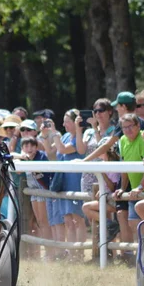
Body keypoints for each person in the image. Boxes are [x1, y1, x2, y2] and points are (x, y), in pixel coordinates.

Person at [42, 109, 87, 261]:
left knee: (78, 219)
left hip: (75, 181)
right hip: (64, 182)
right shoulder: (66, 136)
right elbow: (52, 153)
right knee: (68, 220)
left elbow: (62, 149)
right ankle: (72, 253)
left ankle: (79, 253)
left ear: (75, 122)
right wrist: (45, 135)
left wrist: (54, 132)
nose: (64, 124)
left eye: (67, 121)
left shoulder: (80, 138)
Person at [113, 113, 144, 264]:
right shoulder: (123, 141)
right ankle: (141, 258)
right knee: (133, 224)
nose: (127, 130)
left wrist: (140, 187)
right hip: (136, 191)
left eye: (131, 126)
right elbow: (125, 168)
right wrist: (123, 188)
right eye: (124, 127)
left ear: (138, 126)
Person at [19, 136, 54, 260]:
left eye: (31, 146)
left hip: (43, 191)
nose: (29, 149)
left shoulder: (41, 156)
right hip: (33, 193)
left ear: (36, 147)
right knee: (39, 222)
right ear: (22, 148)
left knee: (44, 222)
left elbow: (43, 172)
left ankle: (50, 252)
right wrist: (20, 157)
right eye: (26, 146)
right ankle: (47, 251)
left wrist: (27, 161)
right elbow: (17, 170)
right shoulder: (23, 158)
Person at [76, 98, 116, 193]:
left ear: (110, 112)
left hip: (105, 177)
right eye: (95, 111)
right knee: (87, 206)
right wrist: (78, 129)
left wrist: (95, 128)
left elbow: (103, 148)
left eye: (101, 110)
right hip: (87, 176)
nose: (98, 114)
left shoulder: (114, 131)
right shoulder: (88, 132)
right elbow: (81, 151)